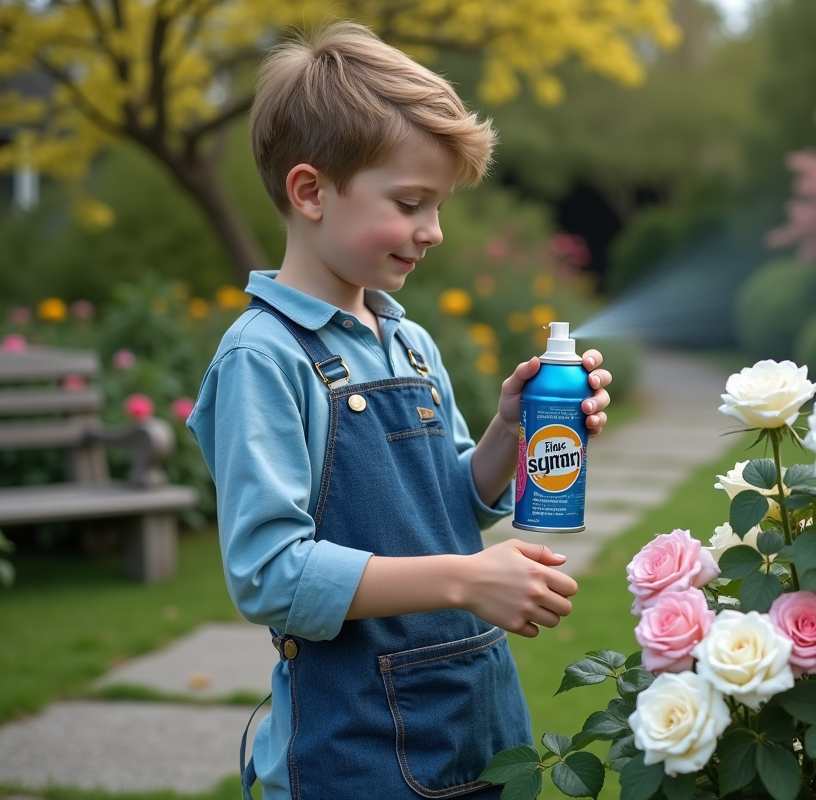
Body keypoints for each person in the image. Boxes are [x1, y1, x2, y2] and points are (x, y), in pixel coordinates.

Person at [187, 21, 611, 800]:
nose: (435, 231)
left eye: (440, 205)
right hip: (354, 746)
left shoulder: (407, 339)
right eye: (411, 202)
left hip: (473, 717)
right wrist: (465, 582)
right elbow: (271, 575)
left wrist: (510, 433)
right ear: (310, 191)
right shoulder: (264, 359)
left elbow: (445, 507)